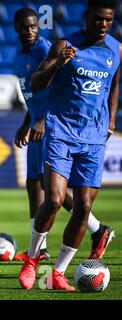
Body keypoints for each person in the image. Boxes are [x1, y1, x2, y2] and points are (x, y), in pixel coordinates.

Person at [18, 0, 120, 291]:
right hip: (61, 131)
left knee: (84, 206)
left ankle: (58, 272)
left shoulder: (116, 49)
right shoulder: (64, 45)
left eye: (108, 21)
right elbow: (37, 82)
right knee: (53, 199)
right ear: (86, 17)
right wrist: (59, 63)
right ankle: (32, 258)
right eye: (98, 19)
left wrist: (111, 120)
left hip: (93, 138)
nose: (103, 25)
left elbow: (114, 85)